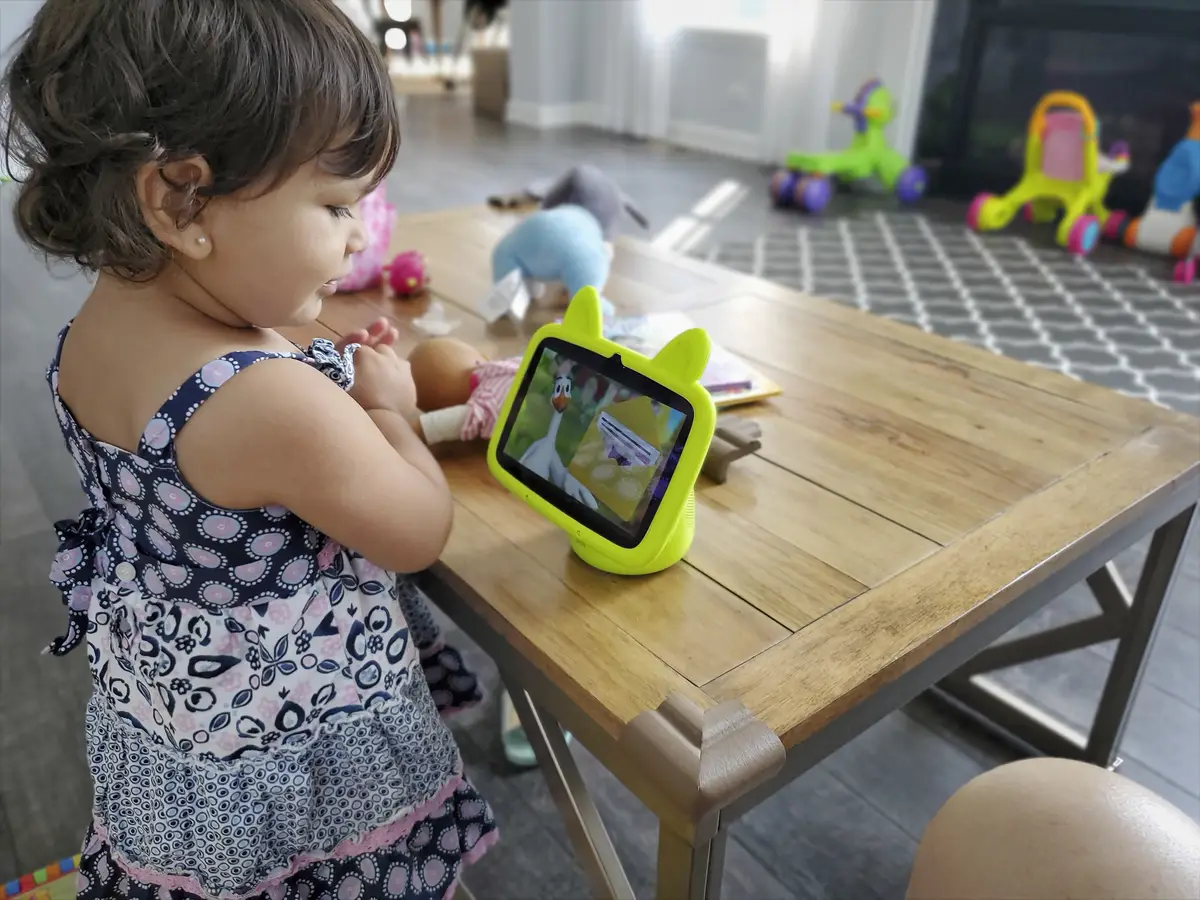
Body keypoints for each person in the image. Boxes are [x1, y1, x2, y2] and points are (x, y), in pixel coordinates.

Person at [1, 2, 496, 898]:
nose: (359, 235)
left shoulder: (91, 337)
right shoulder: (263, 401)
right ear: (179, 201)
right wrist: (387, 411)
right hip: (295, 732)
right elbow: (416, 531)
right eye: (335, 204)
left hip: (181, 712)